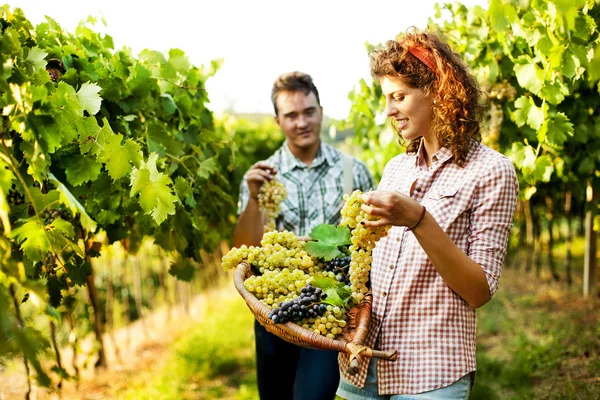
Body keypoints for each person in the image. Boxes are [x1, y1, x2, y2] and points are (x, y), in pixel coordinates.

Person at [335, 29, 519, 400]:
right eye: (386, 98)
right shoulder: (395, 169)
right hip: (363, 365)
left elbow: (479, 290)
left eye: (399, 96)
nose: (388, 111)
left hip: (432, 370)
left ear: (437, 90)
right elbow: (369, 263)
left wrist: (419, 219)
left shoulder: (491, 172)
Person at [234, 71, 375, 400]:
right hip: (275, 313)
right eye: (291, 115)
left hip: (329, 311)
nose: (302, 122)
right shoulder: (262, 177)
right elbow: (244, 250)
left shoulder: (355, 171)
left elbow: (371, 244)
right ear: (277, 121)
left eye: (308, 112)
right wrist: (254, 198)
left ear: (321, 112)